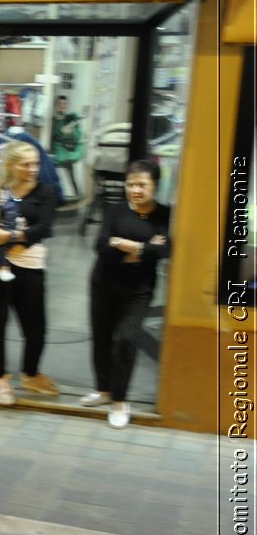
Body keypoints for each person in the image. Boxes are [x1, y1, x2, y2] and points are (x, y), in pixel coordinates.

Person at [84, 160, 172, 429]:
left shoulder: (165, 215)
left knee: (126, 338)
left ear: (155, 185)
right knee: (101, 336)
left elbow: (166, 250)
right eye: (130, 184)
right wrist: (145, 247)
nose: (135, 190)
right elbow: (100, 245)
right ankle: (104, 390)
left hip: (138, 290)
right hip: (103, 282)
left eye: (142, 185)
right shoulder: (115, 210)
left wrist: (127, 244)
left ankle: (120, 400)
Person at [0, 140, 62, 406]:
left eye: (36, 163)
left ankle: (30, 373)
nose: (33, 169)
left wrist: (8, 236)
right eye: (26, 164)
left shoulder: (45, 192)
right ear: (11, 165)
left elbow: (44, 228)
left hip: (30, 268)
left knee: (36, 327)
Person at [51, 95, 85, 204]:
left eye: (65, 104)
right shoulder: (52, 120)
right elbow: (55, 135)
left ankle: (76, 195)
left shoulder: (71, 118)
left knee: (71, 175)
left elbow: (78, 135)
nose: (62, 106)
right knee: (58, 177)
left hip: (67, 153)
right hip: (57, 152)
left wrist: (70, 132)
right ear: (56, 105)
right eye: (60, 104)